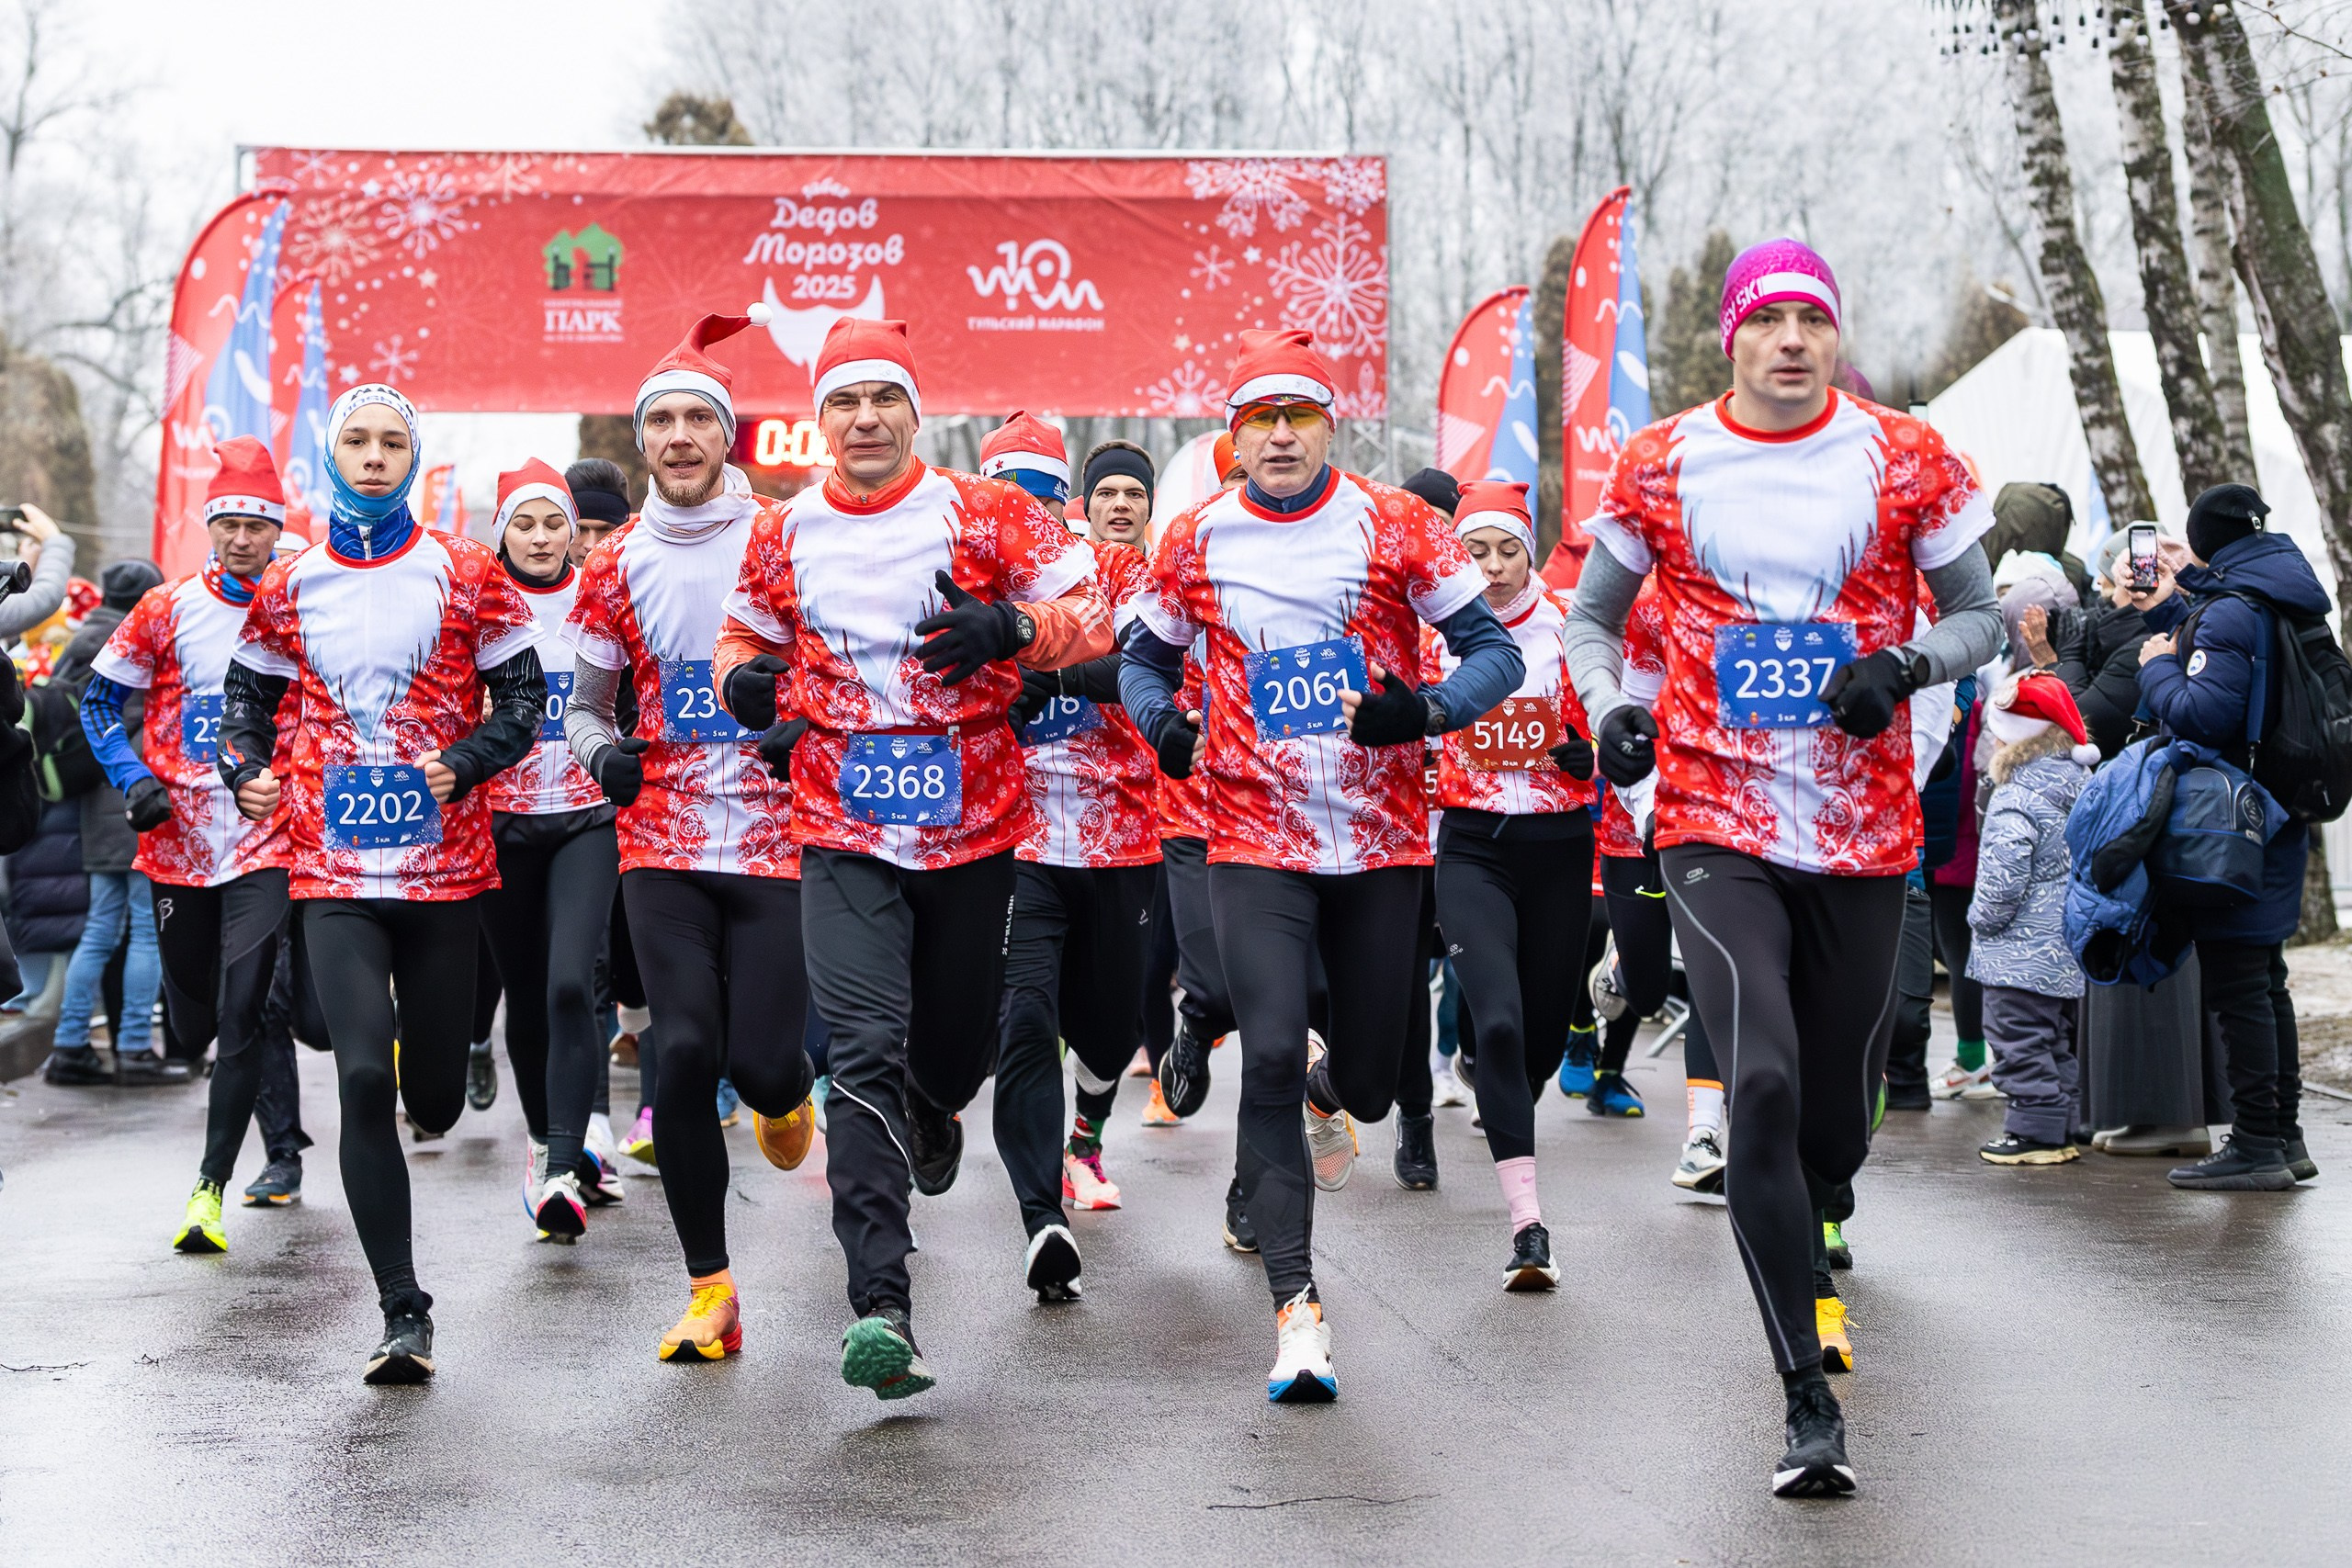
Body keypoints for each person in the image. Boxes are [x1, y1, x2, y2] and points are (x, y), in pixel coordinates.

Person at [1562, 239, 2000, 1495]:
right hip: (1712, 817)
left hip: (1863, 830)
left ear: (1833, 334)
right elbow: (1592, 619)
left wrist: (1904, 667)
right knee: (1756, 1074)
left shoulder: (1908, 454)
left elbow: (1977, 614)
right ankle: (1806, 1394)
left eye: (1814, 317)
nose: (1793, 340)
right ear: (1733, 338)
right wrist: (1608, 708)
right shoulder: (1660, 463)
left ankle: (1825, 1195)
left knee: (1831, 1121)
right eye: (1771, 320)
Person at [1120, 328, 1522, 1402]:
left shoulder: (1397, 526)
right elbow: (1142, 657)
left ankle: (1327, 1084)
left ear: (1328, 427)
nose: (1281, 436)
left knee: (1380, 1088)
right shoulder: (1197, 537)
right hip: (1251, 837)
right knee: (1260, 1053)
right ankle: (1298, 1312)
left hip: (1381, 843)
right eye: (1261, 420)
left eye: (1299, 417)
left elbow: (1498, 652)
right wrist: (1161, 722)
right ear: (1235, 437)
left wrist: (1421, 710)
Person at [716, 315, 1110, 1398]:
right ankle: (880, 1307)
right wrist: (743, 686)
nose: (864, 419)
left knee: (947, 1056)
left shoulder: (984, 513)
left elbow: (1094, 610)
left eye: (882, 398)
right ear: (819, 420)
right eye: (842, 401)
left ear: (913, 411)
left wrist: (1015, 633)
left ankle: (939, 1110)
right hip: (841, 825)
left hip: (974, 828)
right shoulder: (783, 528)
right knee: (860, 1050)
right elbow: (743, 640)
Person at [220, 384, 547, 1384]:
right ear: (333, 453)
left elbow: (526, 697)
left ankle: (444, 1080)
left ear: (414, 456)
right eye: (355, 441)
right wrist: (246, 772)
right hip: (332, 867)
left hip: (445, 872)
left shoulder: (466, 572)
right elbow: (243, 701)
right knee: (363, 1079)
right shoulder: (292, 581)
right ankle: (403, 1309)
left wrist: (471, 757)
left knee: (434, 1102)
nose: (372, 456)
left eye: (389, 442)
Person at [564, 311, 817, 1358]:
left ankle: (785, 1091)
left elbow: (831, 663)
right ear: (642, 441)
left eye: (695, 419)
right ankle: (710, 1290)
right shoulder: (611, 563)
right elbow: (586, 704)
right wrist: (598, 757)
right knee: (678, 1053)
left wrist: (795, 719)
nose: (676, 436)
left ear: (726, 437)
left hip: (771, 832)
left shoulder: (785, 536)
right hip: (661, 833)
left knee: (759, 1065)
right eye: (659, 420)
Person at [79, 440, 313, 1248]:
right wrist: (134, 778)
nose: (244, 537)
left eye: (258, 524)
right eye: (231, 523)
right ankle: (207, 1051)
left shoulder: (297, 605)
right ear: (211, 527)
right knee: (192, 1023)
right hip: (177, 844)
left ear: (276, 529)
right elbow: (97, 705)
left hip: (265, 838)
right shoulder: (165, 608)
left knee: (247, 1009)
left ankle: (208, 1189)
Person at [987, 416, 1159, 1297]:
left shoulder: (1122, 572)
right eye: (1006, 487)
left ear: (1065, 503)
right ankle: (1040, 1216)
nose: (1025, 505)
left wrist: (1034, 673)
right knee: (1023, 1023)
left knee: (1109, 1031)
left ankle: (1086, 1131)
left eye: (1038, 490)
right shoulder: (973, 582)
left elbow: (1130, 658)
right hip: (1017, 839)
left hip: (1121, 838)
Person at [1421, 480, 1596, 1286]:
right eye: (1476, 551)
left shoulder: (1570, 625)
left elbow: (1614, 726)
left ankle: (1507, 1100)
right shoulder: (1437, 632)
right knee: (1494, 1022)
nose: (1491, 567)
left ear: (1531, 549)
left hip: (1559, 847)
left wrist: (1588, 757)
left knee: (1539, 1042)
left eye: (1506, 549)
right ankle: (1529, 1227)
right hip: (1471, 847)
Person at [2133, 482, 2326, 1191]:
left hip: (2235, 823)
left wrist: (2155, 664)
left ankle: (2254, 1143)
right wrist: (2187, 594)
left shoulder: (2231, 613)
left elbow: (2204, 713)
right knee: (2265, 982)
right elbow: (2249, 664)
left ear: (2210, 540)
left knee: (2239, 985)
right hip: (2282, 808)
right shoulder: (2285, 593)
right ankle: (2284, 1133)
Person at [476, 460, 628, 1239]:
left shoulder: (602, 592)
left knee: (573, 981)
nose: (539, 537)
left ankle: (569, 1158)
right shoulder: (475, 598)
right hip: (500, 822)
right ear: (501, 532)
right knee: (526, 994)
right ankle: (542, 1144)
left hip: (586, 816)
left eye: (552, 522)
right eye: (523, 524)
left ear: (574, 528)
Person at [1582, 582, 1730, 1186]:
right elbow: (1626, 738)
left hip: (1724, 824)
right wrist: (1649, 810)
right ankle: (1620, 966)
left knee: (1712, 977)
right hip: (1635, 822)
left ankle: (1702, 1135)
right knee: (1643, 996)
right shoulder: (1647, 604)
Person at [46, 557, 170, 1081]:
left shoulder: (79, 641)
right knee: (146, 929)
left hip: (90, 806)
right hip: (135, 795)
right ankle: (136, 1048)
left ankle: (69, 1044)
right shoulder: (134, 641)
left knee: (99, 928)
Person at [1968, 673, 2099, 1165]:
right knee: (2056, 1038)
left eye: (1999, 731)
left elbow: (2004, 876)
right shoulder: (2078, 782)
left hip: (2018, 950)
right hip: (2066, 943)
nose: (1994, 740)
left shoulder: (2016, 795)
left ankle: (2035, 1133)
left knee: (2017, 1037)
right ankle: (2065, 1123)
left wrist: (1982, 920)